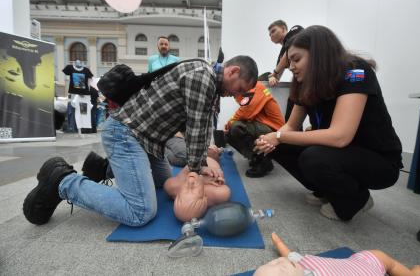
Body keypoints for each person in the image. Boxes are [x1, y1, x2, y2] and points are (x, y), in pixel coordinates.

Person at [23, 55, 258, 227]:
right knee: (141, 211)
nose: (236, 95)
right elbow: (197, 129)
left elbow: (198, 128)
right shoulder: (203, 77)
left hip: (147, 142)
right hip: (126, 134)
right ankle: (65, 182)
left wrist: (202, 166)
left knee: (163, 183)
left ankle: (104, 168)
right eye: (239, 89)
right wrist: (197, 170)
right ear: (232, 71)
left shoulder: (206, 80)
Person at [254, 25, 403, 221]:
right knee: (278, 146)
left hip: (378, 160)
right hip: (339, 152)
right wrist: (271, 140)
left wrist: (279, 136)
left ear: (318, 55)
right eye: (290, 61)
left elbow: (340, 136)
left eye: (296, 59)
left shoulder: (355, 71)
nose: (291, 67)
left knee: (313, 157)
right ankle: (327, 190)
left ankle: (357, 198)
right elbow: (290, 126)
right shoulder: (305, 81)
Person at [254, 232, 420, 276]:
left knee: (377, 254)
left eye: (270, 263)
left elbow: (288, 254)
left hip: (358, 261)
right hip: (368, 272)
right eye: (282, 270)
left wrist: (278, 243)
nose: (277, 262)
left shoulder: (297, 264)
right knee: (387, 262)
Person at [225, 81, 285, 178]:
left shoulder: (257, 87)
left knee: (236, 127)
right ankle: (256, 157)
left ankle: (264, 161)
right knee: (229, 135)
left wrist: (229, 124)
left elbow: (246, 110)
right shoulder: (250, 89)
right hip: (264, 126)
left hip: (275, 129)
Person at [164, 145, 231, 222]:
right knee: (212, 150)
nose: (190, 182)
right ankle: (218, 150)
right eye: (193, 189)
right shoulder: (216, 194)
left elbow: (188, 167)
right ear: (204, 197)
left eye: (186, 188)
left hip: (193, 157)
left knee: (183, 151)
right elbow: (224, 188)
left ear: (177, 195)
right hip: (211, 158)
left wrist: (200, 169)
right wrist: (217, 177)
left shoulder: (173, 186)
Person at [267, 20, 303, 121]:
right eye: (269, 35)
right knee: (290, 117)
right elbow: (278, 73)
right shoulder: (281, 55)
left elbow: (286, 55)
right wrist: (273, 77)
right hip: (300, 83)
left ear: (283, 29)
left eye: (273, 31)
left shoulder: (295, 29)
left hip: (316, 75)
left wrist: (275, 73)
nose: (271, 36)